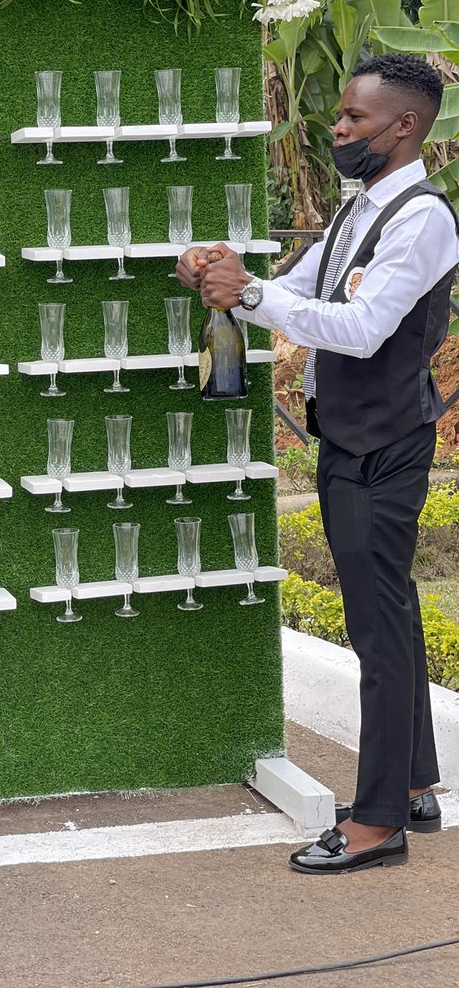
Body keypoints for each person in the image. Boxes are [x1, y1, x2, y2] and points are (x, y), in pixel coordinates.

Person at [176, 53, 459, 874]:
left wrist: (251, 296)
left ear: (403, 127)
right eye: (339, 117)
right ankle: (410, 786)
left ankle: (377, 825)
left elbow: (362, 327)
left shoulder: (421, 218)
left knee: (376, 629)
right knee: (394, 616)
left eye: (354, 120)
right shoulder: (358, 210)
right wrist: (222, 274)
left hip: (383, 446)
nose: (336, 129)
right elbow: (295, 285)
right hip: (351, 437)